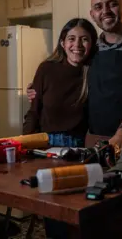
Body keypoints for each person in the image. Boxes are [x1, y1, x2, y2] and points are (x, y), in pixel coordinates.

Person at [28, 0, 122, 149]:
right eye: (98, 7)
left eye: (112, 5)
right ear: (93, 15)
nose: (105, 11)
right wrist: (37, 90)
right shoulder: (92, 49)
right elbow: (69, 76)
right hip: (96, 141)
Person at [23, 18, 98, 147]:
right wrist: (25, 143)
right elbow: (34, 112)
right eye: (71, 39)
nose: (77, 45)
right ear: (63, 43)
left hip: (81, 145)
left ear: (92, 44)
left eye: (84, 39)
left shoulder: (96, 72)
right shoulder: (46, 69)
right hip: (46, 143)